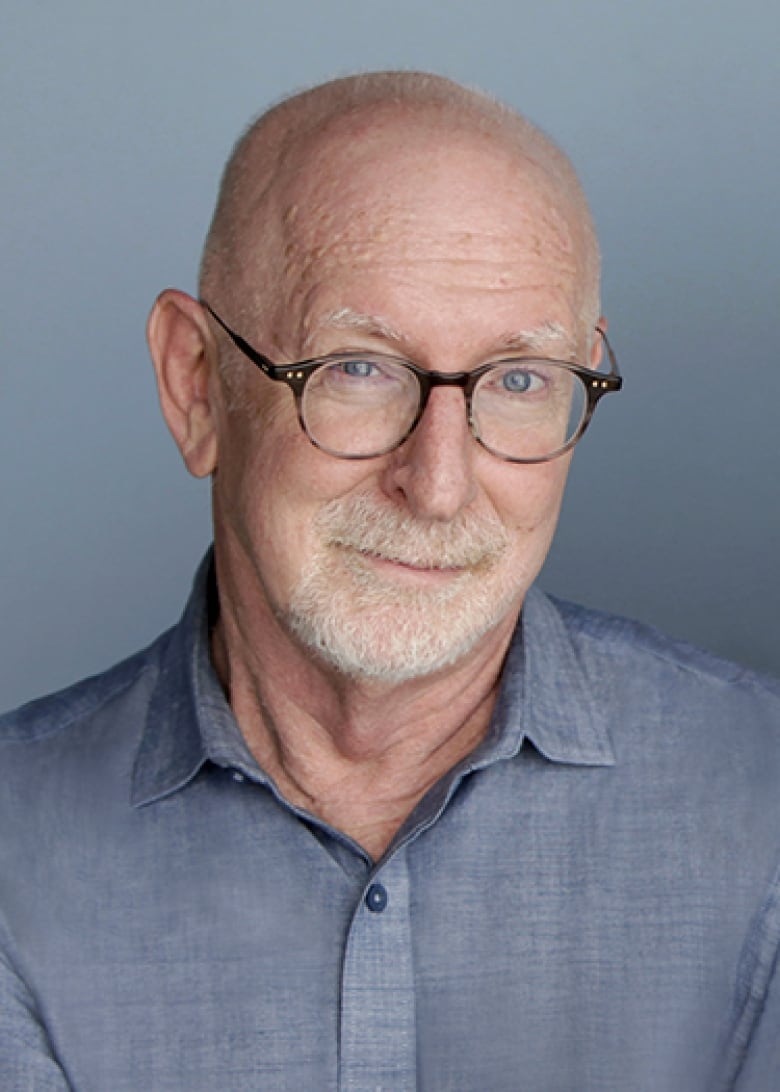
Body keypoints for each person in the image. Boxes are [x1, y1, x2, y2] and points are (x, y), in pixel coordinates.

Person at [0, 71, 778, 1092]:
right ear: (197, 385)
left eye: (519, 380)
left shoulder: (761, 807)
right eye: (358, 368)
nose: (439, 484)